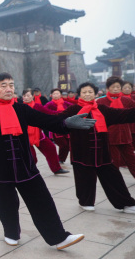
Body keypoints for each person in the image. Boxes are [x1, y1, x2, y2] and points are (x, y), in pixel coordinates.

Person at [0, 72, 95, 250]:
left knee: (43, 202)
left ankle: (59, 238)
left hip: (25, 166)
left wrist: (66, 123)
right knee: (6, 206)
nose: (9, 89)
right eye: (4, 85)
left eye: (11, 85)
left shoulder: (21, 109)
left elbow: (46, 121)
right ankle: (11, 233)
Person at [50, 82, 135, 213]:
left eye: (90, 92)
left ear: (95, 94)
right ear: (80, 94)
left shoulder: (102, 109)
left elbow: (123, 114)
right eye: (84, 92)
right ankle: (86, 202)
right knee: (84, 180)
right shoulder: (73, 110)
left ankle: (126, 203)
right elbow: (57, 119)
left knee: (114, 179)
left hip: (103, 154)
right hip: (81, 154)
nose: (87, 94)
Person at [96, 76, 135, 178]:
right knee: (114, 162)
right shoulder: (101, 102)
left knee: (132, 160)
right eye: (113, 87)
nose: (116, 89)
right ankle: (115, 183)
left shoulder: (127, 101)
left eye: (118, 87)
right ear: (108, 88)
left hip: (125, 136)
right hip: (110, 137)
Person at [22, 89, 68, 175]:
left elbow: (49, 113)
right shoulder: (21, 107)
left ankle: (56, 168)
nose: (26, 97)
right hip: (25, 137)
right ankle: (29, 172)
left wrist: (64, 113)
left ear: (32, 96)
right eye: (24, 96)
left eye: (28, 95)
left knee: (51, 148)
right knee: (32, 157)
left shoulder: (37, 106)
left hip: (38, 134)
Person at [44, 88, 72, 163]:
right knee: (63, 144)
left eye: (57, 93)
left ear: (60, 94)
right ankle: (58, 159)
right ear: (51, 95)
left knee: (68, 145)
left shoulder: (66, 103)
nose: (56, 95)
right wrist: (56, 114)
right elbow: (44, 111)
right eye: (54, 94)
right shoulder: (49, 104)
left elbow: (74, 109)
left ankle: (61, 159)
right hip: (55, 127)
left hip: (66, 126)